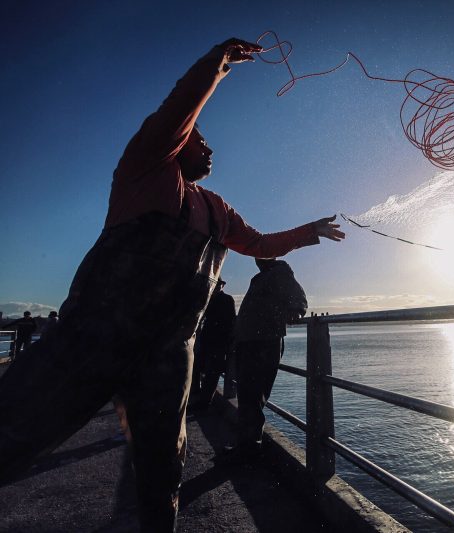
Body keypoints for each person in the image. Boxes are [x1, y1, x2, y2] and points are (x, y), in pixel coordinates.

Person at [0, 38, 344, 532]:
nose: (209, 147)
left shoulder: (218, 210)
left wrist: (308, 232)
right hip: (91, 339)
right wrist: (217, 64)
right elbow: (176, 110)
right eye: (199, 140)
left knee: (164, 473)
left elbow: (262, 243)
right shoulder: (144, 169)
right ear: (178, 145)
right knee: (13, 430)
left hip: (167, 356)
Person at [225, 258, 307, 462]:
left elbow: (299, 299)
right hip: (249, 341)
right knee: (247, 396)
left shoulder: (280, 272)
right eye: (256, 255)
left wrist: (295, 310)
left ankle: (249, 451)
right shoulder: (259, 277)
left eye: (262, 254)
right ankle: (245, 446)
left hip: (264, 342)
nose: (257, 258)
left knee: (253, 396)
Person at [190, 279, 236, 410]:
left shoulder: (227, 300)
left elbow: (231, 322)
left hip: (218, 343)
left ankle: (204, 403)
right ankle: (200, 398)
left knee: (211, 373)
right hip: (208, 341)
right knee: (202, 370)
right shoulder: (208, 298)